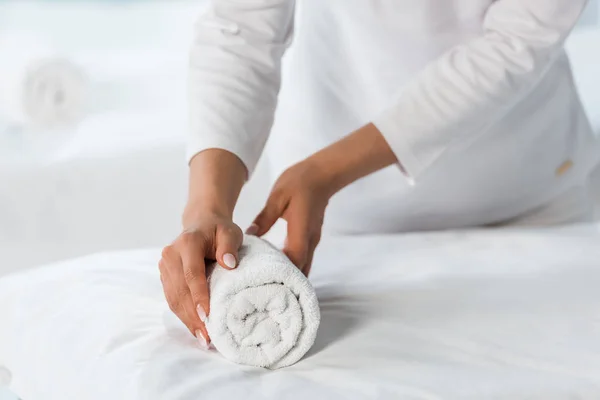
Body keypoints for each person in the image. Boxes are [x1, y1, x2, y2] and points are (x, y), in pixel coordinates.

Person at [158, 0, 599, 348]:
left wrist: (328, 169)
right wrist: (206, 207)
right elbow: (241, 31)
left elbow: (516, 40)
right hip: (332, 222)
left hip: (528, 197)